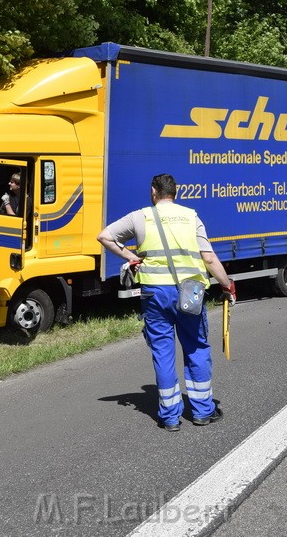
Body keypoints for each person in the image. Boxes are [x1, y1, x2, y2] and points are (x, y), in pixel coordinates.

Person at [97, 173, 236, 432]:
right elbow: (208, 257)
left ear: (153, 191)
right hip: (190, 292)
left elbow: (104, 236)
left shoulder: (140, 217)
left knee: (163, 351)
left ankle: (170, 417)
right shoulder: (190, 216)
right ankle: (202, 412)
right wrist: (227, 285)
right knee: (196, 348)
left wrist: (130, 256)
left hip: (155, 294)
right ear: (176, 191)